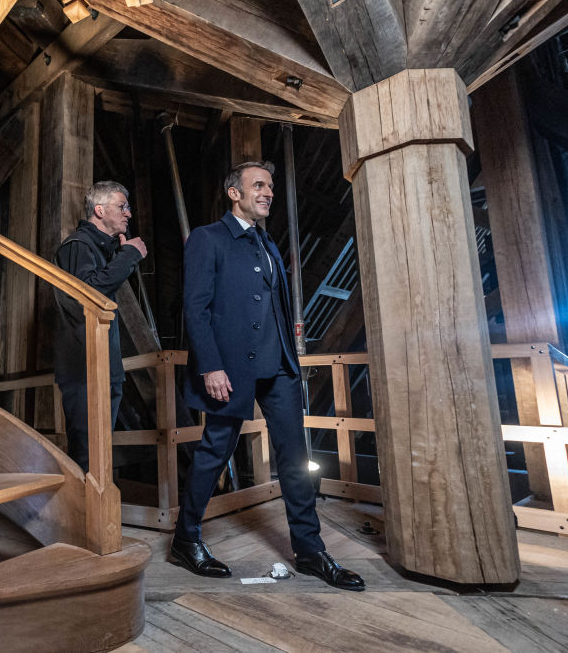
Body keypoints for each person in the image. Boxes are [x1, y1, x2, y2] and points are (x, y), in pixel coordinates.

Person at [172, 161, 365, 591]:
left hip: (278, 369)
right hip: (231, 370)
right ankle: (186, 539)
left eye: (271, 186)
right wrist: (210, 365)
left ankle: (311, 551)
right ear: (234, 193)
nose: (269, 192)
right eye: (258, 185)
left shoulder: (267, 243)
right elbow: (196, 309)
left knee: (296, 459)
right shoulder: (208, 239)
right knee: (213, 453)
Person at [53, 181, 147, 471]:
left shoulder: (103, 249)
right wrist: (129, 255)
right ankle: (84, 515)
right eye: (122, 206)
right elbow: (90, 293)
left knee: (100, 447)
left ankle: (98, 512)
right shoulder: (78, 246)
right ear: (99, 209)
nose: (128, 214)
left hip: (104, 364)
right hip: (84, 366)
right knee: (88, 450)